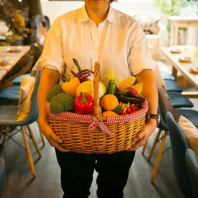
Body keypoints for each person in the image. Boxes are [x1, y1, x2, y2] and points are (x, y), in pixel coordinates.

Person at [34, 0, 158, 197]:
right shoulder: (62, 24)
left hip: (120, 128)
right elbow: (49, 75)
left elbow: (146, 74)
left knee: (113, 191)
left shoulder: (130, 27)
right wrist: (42, 120)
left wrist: (153, 119)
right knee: (74, 191)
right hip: (73, 127)